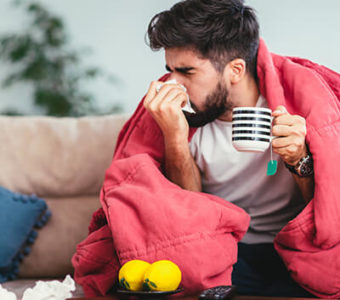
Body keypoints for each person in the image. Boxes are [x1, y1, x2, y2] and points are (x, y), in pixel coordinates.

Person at [142, 0, 316, 297]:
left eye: (187, 72)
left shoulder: (293, 110)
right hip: (227, 251)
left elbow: (325, 208)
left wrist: (300, 157)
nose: (174, 84)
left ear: (235, 69)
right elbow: (187, 210)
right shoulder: (187, 119)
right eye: (170, 70)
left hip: (293, 248)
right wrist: (174, 136)